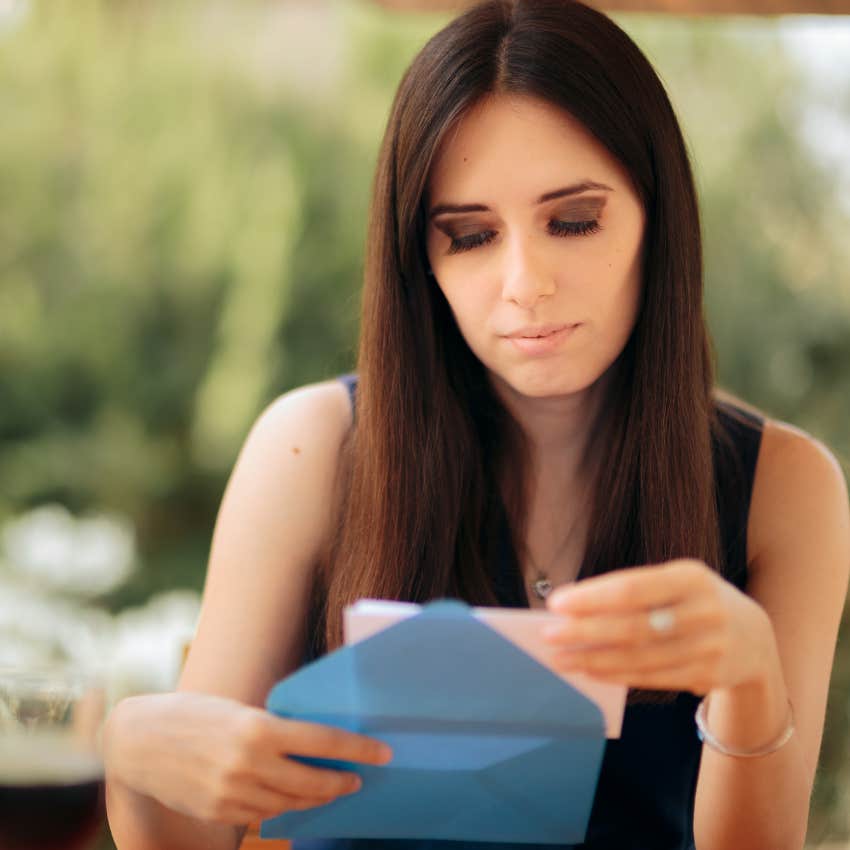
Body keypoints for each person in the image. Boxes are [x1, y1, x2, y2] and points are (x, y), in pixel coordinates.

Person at [102, 1, 850, 849]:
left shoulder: (784, 488)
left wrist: (750, 678)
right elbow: (190, 836)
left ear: (659, 216)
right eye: (469, 236)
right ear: (419, 258)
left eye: (573, 221)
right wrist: (129, 746)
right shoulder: (312, 447)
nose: (525, 283)